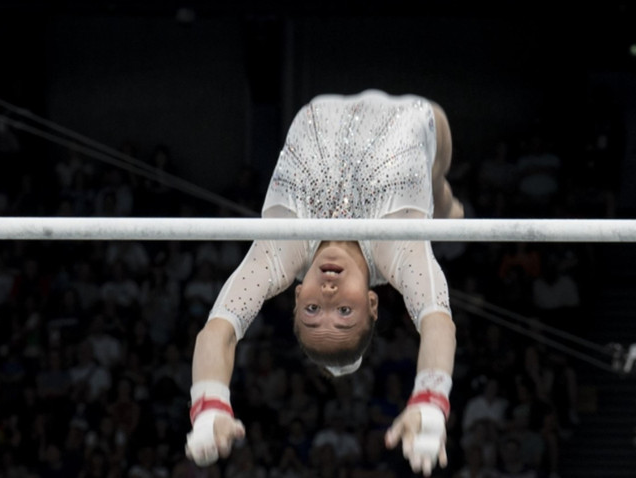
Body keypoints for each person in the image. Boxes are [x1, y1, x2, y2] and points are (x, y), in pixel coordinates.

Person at [184, 90, 462, 476]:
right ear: (373, 303)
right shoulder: (398, 250)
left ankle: (445, 209)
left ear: (297, 296)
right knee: (438, 191)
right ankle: (446, 205)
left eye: (313, 310)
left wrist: (209, 404)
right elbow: (437, 323)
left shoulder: (281, 253)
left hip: (321, 105)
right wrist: (430, 402)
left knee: (438, 208)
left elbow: (219, 332)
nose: (328, 295)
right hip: (416, 113)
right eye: (345, 312)